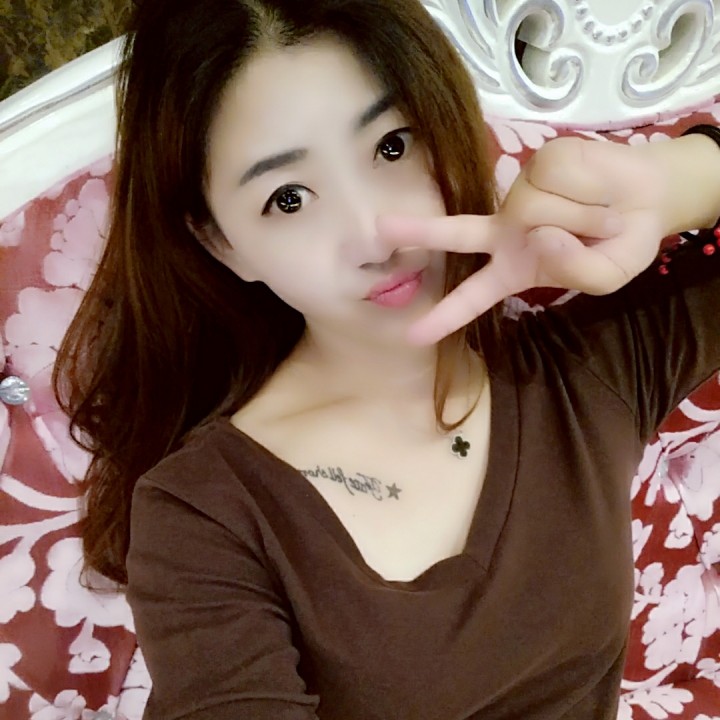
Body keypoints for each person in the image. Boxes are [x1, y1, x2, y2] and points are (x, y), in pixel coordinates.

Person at [52, 0, 720, 717]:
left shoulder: (583, 370)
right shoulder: (206, 512)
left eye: (393, 147)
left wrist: (674, 183)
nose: (376, 238)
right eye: (288, 198)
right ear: (222, 243)